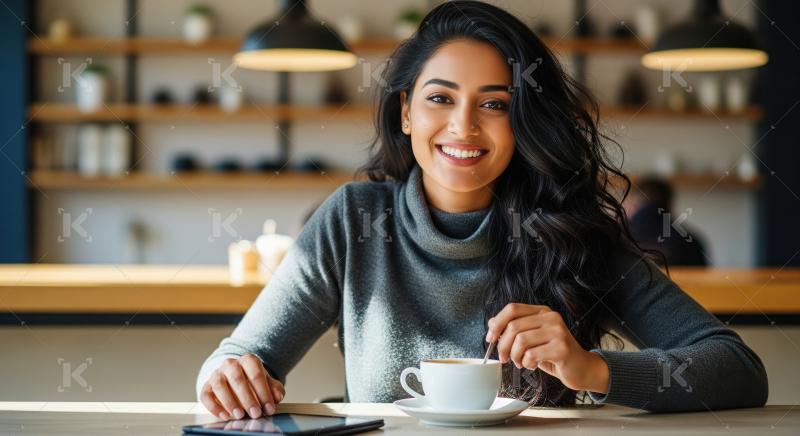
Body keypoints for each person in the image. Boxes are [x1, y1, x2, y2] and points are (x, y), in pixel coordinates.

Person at [196, 1, 767, 421]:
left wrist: (592, 370)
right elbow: (238, 359)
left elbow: (738, 369)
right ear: (405, 113)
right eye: (440, 98)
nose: (464, 128)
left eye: (495, 104)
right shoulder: (353, 220)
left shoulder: (570, 230)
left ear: (522, 122)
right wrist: (227, 378)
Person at [623, 178, 709, 267]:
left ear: (633, 205)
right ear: (669, 206)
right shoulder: (691, 242)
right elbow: (704, 278)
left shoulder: (617, 237)